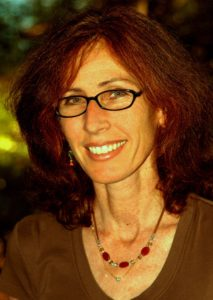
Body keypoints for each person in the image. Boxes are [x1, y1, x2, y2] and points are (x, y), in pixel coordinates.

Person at [0, 5, 212, 300]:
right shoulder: (34, 243)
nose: (92, 122)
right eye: (73, 99)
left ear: (164, 107)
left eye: (115, 93)